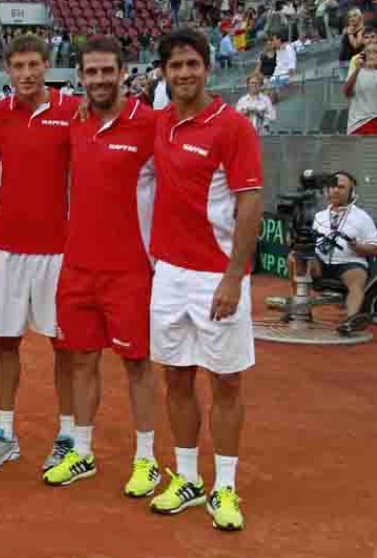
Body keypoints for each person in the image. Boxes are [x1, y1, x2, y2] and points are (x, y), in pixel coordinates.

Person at [146, 29, 264, 532]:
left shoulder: (233, 127)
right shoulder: (160, 124)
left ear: (207, 67)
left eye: (192, 63)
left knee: (227, 380)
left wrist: (234, 278)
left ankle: (226, 487)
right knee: (176, 376)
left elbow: (250, 203)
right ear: (164, 73)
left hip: (217, 275)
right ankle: (190, 478)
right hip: (169, 272)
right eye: (175, 66)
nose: (184, 73)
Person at [42, 37, 159, 498]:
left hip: (130, 268)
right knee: (81, 360)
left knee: (137, 364)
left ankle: (146, 459)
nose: (99, 79)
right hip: (78, 267)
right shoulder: (75, 123)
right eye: (90, 72)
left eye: (107, 70)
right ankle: (83, 451)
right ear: (80, 77)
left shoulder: (149, 123)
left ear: (122, 71)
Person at [0, 34, 80, 472]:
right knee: (7, 343)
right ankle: (4, 432)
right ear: (8, 70)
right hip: (9, 250)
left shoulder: (72, 112)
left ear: (47, 65)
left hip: (58, 250)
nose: (26, 74)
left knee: (65, 347)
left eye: (34, 65)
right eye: (18, 66)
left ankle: (69, 435)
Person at [288, 172, 377, 333]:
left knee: (356, 279)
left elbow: (374, 247)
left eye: (341, 187)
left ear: (351, 192)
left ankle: (350, 321)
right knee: (295, 257)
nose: (335, 191)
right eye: (332, 187)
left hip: (349, 264)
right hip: (319, 264)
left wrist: (358, 247)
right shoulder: (318, 216)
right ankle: (301, 309)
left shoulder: (362, 218)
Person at [346, 42, 377, 135]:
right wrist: (357, 70)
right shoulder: (356, 73)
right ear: (364, 55)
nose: (372, 55)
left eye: (375, 52)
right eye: (369, 52)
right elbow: (347, 93)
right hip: (357, 124)